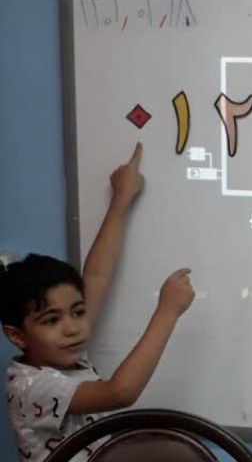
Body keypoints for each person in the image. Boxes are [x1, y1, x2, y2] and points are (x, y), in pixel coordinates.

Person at [0, 143, 195, 461]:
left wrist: (121, 198)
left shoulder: (61, 355)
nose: (72, 328)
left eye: (78, 312)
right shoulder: (31, 386)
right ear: (17, 335)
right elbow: (120, 392)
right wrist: (167, 312)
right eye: (52, 320)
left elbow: (96, 277)